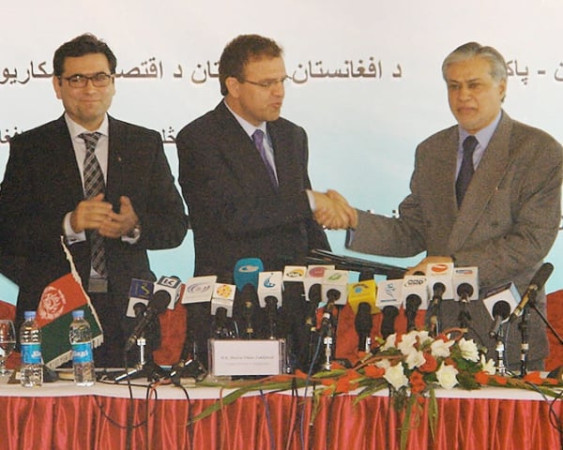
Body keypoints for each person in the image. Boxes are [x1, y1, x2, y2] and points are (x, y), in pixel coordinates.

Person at [315, 42, 562, 371]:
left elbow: (531, 242)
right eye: (454, 86)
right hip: (440, 336)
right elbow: (412, 231)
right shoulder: (432, 151)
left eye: (474, 85)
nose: (463, 96)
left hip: (507, 331)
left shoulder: (538, 151)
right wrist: (352, 220)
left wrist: (452, 266)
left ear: (502, 88)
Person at [0, 33, 189, 367]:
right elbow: (7, 230)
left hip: (129, 310)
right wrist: (68, 224)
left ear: (113, 83)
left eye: (100, 77)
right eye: (76, 79)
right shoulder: (31, 148)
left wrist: (134, 227)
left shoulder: (143, 144)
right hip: (56, 309)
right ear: (57, 85)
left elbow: (176, 226)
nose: (89, 88)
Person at [176, 34, 330, 364]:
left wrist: (326, 271)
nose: (279, 92)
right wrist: (309, 201)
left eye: (282, 81)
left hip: (294, 307)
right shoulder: (199, 138)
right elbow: (232, 216)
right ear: (233, 85)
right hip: (233, 307)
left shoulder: (292, 135)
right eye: (267, 83)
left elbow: (303, 221)